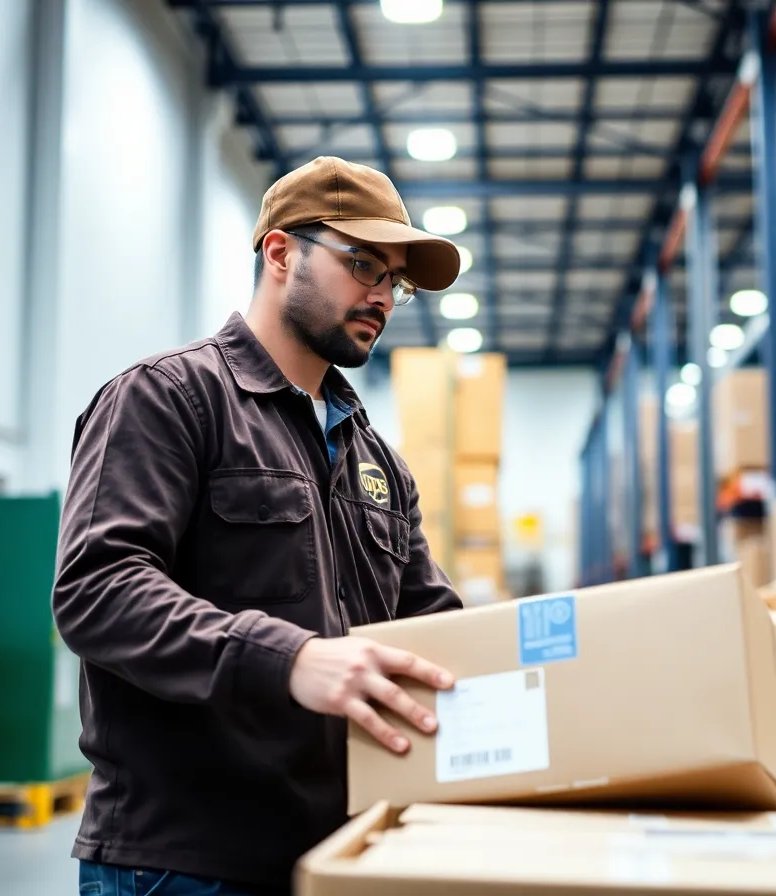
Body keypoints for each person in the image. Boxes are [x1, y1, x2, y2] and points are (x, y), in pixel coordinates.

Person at [52, 156, 466, 896]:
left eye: (395, 282)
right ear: (280, 254)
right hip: (184, 863)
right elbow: (99, 592)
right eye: (363, 263)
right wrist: (290, 658)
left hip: (340, 851)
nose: (382, 296)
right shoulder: (168, 399)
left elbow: (433, 627)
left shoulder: (378, 461)